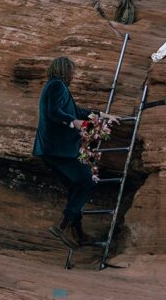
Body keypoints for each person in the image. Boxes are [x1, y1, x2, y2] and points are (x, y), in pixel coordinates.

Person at [33, 56, 117, 248]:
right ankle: (63, 226)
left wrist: (102, 115)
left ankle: (78, 233)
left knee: (75, 187)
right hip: (58, 150)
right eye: (72, 71)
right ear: (65, 70)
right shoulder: (56, 86)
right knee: (86, 182)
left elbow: (77, 110)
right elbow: (54, 112)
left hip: (51, 150)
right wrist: (74, 123)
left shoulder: (56, 87)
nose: (74, 75)